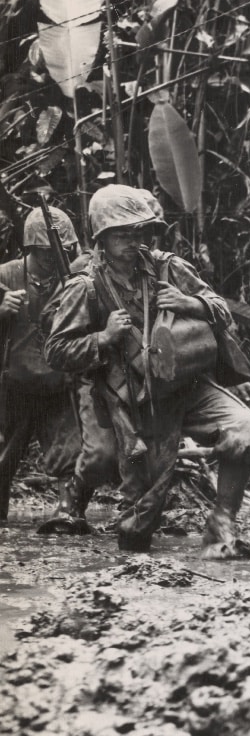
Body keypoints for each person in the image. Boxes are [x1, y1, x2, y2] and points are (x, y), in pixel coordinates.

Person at [46, 185, 250, 557]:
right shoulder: (86, 286)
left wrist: (190, 302)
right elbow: (57, 351)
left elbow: (221, 311)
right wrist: (103, 337)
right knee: (140, 515)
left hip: (185, 386)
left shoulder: (168, 267)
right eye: (122, 234)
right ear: (101, 238)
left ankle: (223, 520)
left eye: (138, 233)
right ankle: (128, 573)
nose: (133, 241)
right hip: (129, 402)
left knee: (246, 431)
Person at [0, 206, 118, 531]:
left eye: (61, 251)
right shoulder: (7, 274)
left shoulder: (75, 279)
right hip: (14, 387)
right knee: (3, 460)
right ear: (30, 249)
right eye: (46, 252)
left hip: (57, 385)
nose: (54, 258)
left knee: (71, 456)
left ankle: (68, 516)